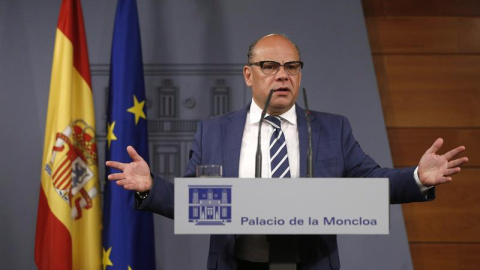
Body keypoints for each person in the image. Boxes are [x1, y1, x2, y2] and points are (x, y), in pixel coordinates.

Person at [106, 34, 469, 270]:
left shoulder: (332, 128)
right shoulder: (214, 131)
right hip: (237, 262)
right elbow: (192, 200)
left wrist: (418, 177)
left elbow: (372, 183)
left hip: (309, 262)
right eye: (270, 66)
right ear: (249, 75)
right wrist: (152, 186)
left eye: (292, 67)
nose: (283, 75)